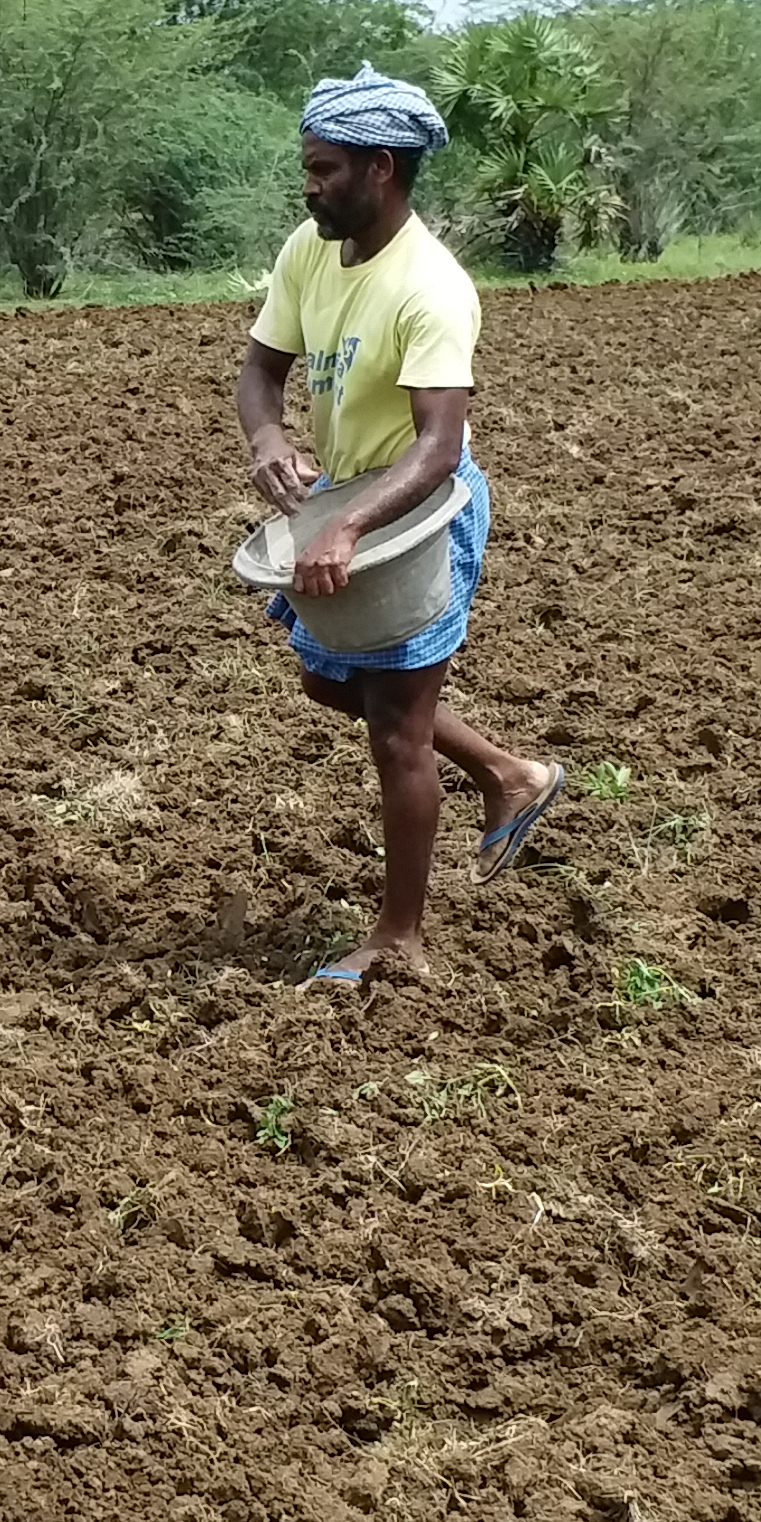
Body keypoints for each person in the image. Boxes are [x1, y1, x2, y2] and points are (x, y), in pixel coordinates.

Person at [234, 67, 567, 986]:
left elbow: (437, 444)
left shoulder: (430, 286)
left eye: (324, 168)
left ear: (380, 168)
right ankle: (511, 774)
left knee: (396, 729)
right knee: (329, 682)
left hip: (417, 514)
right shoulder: (310, 250)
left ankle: (400, 938)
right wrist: (268, 434)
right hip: (346, 501)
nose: (309, 185)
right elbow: (261, 371)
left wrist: (348, 531)